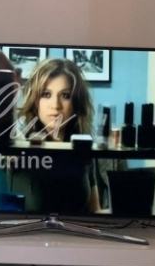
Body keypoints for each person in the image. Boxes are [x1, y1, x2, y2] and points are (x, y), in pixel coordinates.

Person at [11, 58, 101, 213]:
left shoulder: (83, 145)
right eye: (46, 94)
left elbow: (95, 211)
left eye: (65, 95)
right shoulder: (21, 141)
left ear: (76, 102)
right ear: (35, 100)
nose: (56, 105)